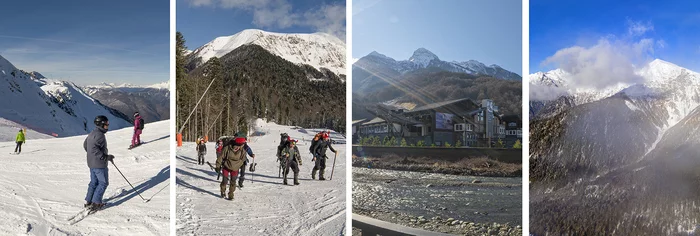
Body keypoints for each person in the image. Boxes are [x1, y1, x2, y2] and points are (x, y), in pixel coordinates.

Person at [83, 115, 115, 210]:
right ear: (101, 124)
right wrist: (105, 157)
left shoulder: (92, 133)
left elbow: (86, 145)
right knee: (103, 183)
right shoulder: (100, 135)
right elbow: (94, 149)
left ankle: (89, 200)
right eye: (106, 124)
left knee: (94, 182)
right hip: (99, 164)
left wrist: (91, 155)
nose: (107, 126)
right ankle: (96, 202)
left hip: (91, 163)